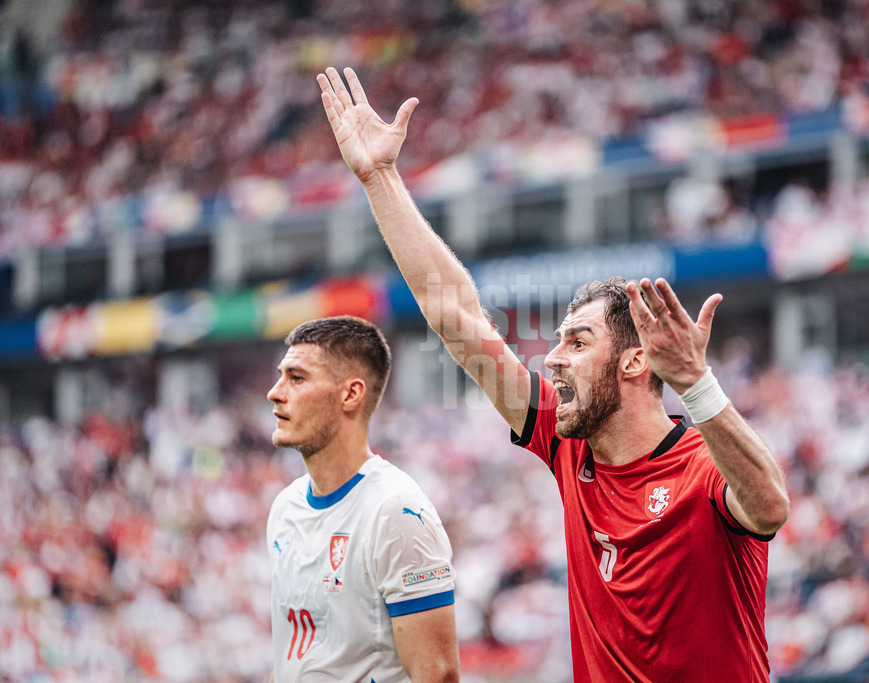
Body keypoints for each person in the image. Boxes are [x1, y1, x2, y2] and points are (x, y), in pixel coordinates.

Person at [316, 66, 790, 681]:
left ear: (635, 360)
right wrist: (379, 177)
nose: (553, 358)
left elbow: (771, 507)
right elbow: (455, 314)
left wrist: (698, 385)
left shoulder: (703, 465)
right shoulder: (567, 444)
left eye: (577, 341)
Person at [265, 316, 459, 683]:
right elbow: (294, 654)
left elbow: (438, 674)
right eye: (281, 375)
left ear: (350, 394)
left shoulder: (396, 511)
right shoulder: (284, 507)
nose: (275, 392)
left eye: (297, 377)